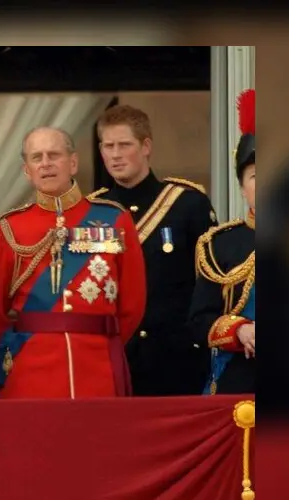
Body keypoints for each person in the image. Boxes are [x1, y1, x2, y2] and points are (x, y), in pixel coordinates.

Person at [0, 127, 146, 399]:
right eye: (37, 157)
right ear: (26, 170)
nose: (45, 163)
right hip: (30, 367)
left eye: (54, 155)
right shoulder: (9, 227)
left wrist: (104, 343)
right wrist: (20, 346)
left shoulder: (114, 219)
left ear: (73, 163)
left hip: (98, 364)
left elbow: (132, 304)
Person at [96, 105, 217, 396]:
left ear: (146, 146)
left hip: (175, 360)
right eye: (108, 146)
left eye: (124, 145)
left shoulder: (187, 204)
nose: (115, 154)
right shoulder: (94, 211)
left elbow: (209, 284)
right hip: (115, 358)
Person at [188, 89, 256, 395]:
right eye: (255, 175)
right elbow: (199, 319)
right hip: (237, 379)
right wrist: (239, 329)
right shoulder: (219, 245)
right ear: (242, 187)